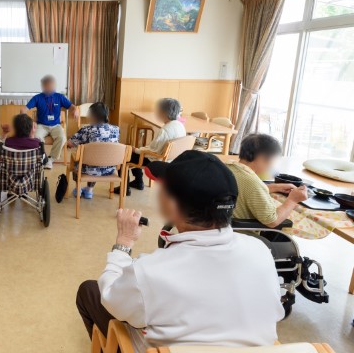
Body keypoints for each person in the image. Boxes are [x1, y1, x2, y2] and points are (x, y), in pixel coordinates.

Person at [76, 151, 284, 352]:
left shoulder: (149, 272)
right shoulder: (260, 250)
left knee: (90, 291)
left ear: (173, 205)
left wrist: (124, 242)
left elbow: (113, 302)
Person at [228, 133, 308, 228]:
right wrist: (293, 200)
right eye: (273, 160)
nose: (272, 165)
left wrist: (275, 187)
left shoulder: (228, 168)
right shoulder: (253, 183)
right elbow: (272, 221)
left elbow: (244, 190)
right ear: (262, 158)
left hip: (223, 224)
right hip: (242, 231)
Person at [116, 98, 186, 195]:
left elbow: (152, 152)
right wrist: (138, 149)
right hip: (171, 159)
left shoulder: (165, 130)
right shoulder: (180, 126)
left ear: (163, 113)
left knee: (125, 154)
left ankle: (124, 189)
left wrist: (136, 150)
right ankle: (138, 182)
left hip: (156, 160)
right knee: (135, 151)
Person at [21, 75, 78, 169]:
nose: (50, 88)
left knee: (62, 138)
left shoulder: (60, 97)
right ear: (43, 87)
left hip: (56, 125)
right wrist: (28, 120)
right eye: (47, 86)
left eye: (51, 85)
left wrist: (75, 110)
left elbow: (72, 106)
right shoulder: (37, 98)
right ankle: (43, 157)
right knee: (35, 137)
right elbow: (24, 109)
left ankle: (51, 159)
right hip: (41, 125)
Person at [67, 102, 120, 199]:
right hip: (109, 169)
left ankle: (78, 190)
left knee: (77, 158)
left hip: (90, 169)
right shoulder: (116, 129)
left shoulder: (86, 129)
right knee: (97, 156)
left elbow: (70, 143)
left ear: (93, 115)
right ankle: (89, 190)